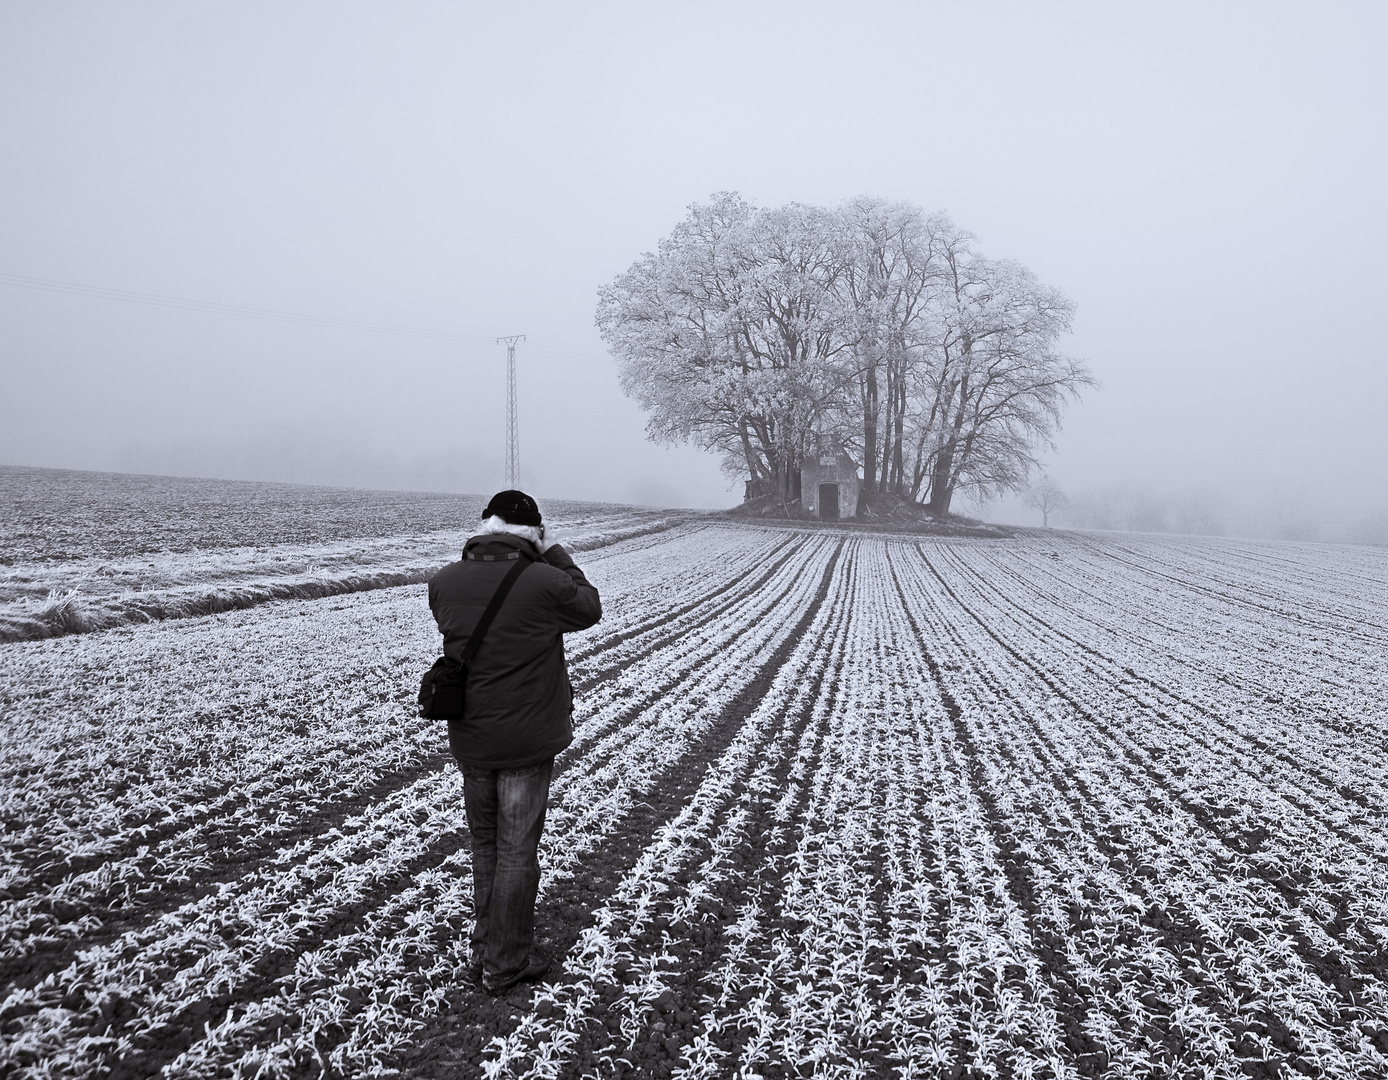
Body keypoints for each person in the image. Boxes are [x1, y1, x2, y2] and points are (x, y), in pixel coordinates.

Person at [427, 490, 602, 994]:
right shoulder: (546, 581)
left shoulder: (443, 582)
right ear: (533, 533)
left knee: (484, 843)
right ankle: (506, 962)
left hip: (471, 735)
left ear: (485, 526)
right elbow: (589, 607)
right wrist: (556, 552)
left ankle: (486, 947)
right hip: (527, 737)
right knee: (518, 851)